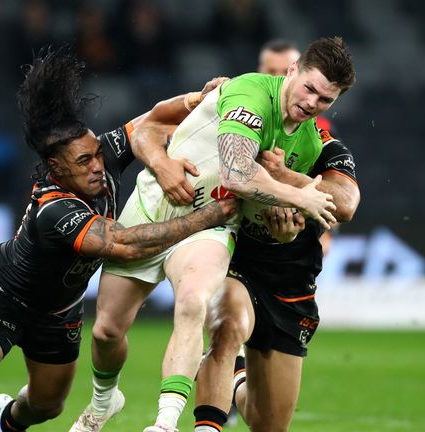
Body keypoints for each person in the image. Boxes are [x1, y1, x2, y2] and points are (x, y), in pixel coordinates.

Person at [0, 48, 237, 432]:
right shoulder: (54, 208)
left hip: (58, 311)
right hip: (5, 297)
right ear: (57, 167)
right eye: (84, 161)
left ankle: (6, 421)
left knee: (46, 406)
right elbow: (125, 244)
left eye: (96, 156)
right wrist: (211, 215)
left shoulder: (98, 154)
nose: (97, 166)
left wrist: (199, 101)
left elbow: (153, 119)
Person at [71, 36, 353, 432]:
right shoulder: (240, 91)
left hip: (232, 239)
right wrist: (159, 162)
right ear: (289, 72)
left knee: (201, 318)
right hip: (162, 214)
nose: (311, 103)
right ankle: (113, 403)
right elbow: (152, 128)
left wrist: (287, 210)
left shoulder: (313, 144)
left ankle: (170, 422)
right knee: (107, 330)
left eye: (324, 100)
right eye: (308, 88)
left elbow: (339, 205)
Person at [192, 101, 360, 431]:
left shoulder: (322, 143)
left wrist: (286, 180)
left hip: (289, 281)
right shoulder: (241, 129)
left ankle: (237, 380)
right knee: (227, 328)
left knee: (264, 421)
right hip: (237, 261)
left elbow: (344, 204)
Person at [257, 39, 338, 256]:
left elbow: (331, 192)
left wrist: (321, 230)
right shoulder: (243, 111)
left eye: (284, 71)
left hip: (292, 223)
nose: (278, 78)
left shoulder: (320, 132)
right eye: (270, 70)